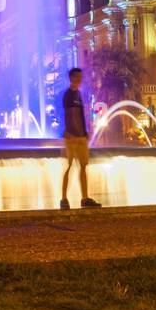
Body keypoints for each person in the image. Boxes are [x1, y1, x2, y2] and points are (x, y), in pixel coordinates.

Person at [60, 67, 101, 210]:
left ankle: (85, 198)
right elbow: (67, 115)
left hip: (81, 137)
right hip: (71, 137)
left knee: (83, 166)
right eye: (77, 77)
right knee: (69, 166)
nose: (79, 79)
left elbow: (81, 115)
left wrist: (85, 131)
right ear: (71, 78)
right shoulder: (68, 95)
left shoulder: (78, 94)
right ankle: (64, 198)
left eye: (80, 77)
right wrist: (67, 132)